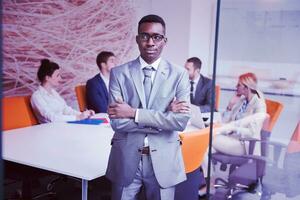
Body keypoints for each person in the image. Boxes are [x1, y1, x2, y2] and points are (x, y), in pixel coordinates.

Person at [106, 14, 191, 200]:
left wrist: (133, 113)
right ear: (137, 39)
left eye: (157, 37)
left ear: (164, 41)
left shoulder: (180, 75)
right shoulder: (119, 74)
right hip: (126, 158)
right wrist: (164, 119)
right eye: (145, 36)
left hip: (164, 160)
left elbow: (180, 122)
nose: (150, 42)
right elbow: (117, 124)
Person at [213, 72, 267, 156]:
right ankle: (209, 170)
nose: (236, 87)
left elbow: (252, 132)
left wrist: (234, 128)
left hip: (245, 144)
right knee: (205, 149)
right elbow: (226, 121)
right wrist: (230, 106)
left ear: (247, 87)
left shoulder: (259, 104)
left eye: (239, 85)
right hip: (231, 138)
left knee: (207, 139)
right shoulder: (242, 101)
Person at [31, 59, 94, 123]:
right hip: (50, 129)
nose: (60, 78)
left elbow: (66, 109)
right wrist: (77, 117)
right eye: (57, 75)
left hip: (62, 125)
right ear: (47, 78)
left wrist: (82, 114)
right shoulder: (37, 96)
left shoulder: (53, 92)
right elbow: (52, 118)